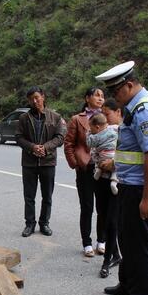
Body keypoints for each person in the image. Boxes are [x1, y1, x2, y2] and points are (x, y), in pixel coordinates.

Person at [96, 61, 148, 295]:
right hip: (129, 185)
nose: (113, 97)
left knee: (140, 244)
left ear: (129, 85)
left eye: (116, 91)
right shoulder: (133, 108)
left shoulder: (145, 111)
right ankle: (127, 284)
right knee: (126, 239)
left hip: (140, 188)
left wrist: (147, 198)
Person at [16, 86, 66, 237]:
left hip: (48, 162)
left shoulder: (55, 117)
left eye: (37, 97)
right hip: (29, 163)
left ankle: (44, 223)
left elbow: (60, 137)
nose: (34, 101)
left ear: (43, 97)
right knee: (29, 196)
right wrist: (32, 147)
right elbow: (19, 137)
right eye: (31, 99)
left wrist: (45, 147)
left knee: (47, 196)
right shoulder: (24, 118)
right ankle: (29, 224)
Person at [64, 87, 106, 257]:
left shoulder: (107, 117)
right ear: (87, 98)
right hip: (85, 169)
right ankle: (87, 243)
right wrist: (76, 164)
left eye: (102, 96)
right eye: (97, 95)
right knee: (87, 207)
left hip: (104, 168)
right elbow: (68, 144)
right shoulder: (77, 119)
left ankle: (102, 240)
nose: (100, 98)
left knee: (103, 207)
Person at [90, 101, 122, 278]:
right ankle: (115, 255)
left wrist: (113, 164)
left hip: (116, 182)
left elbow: (129, 156)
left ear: (118, 112)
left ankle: (106, 261)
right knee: (103, 217)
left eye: (107, 114)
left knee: (111, 222)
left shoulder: (124, 131)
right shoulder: (103, 132)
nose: (105, 119)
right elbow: (94, 149)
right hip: (100, 180)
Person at [86, 113, 118, 194]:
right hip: (113, 154)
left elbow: (89, 144)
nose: (90, 130)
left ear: (97, 127)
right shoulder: (114, 131)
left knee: (99, 160)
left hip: (103, 154)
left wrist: (88, 133)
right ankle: (114, 181)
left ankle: (98, 170)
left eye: (91, 128)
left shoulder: (96, 136)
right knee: (116, 170)